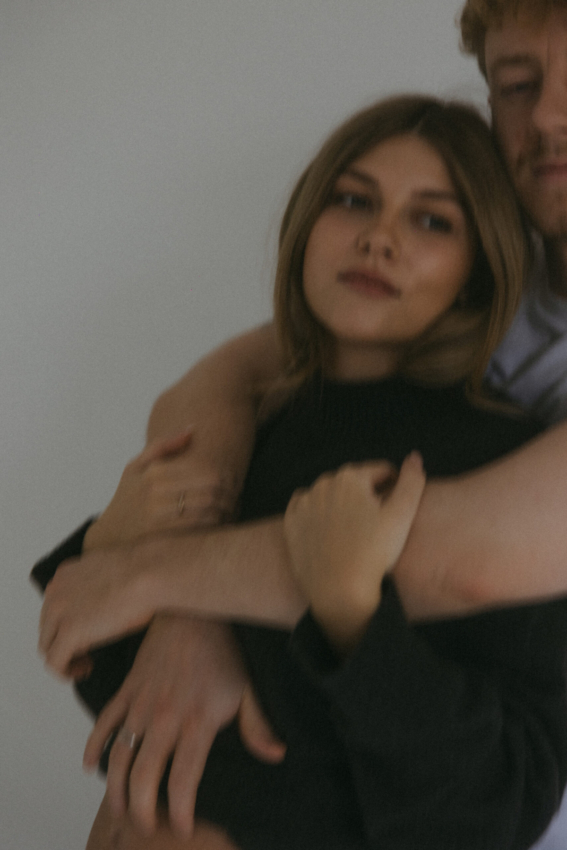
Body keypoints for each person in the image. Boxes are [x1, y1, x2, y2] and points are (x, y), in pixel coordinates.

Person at [34, 94, 567, 849]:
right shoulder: (245, 427)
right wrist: (144, 573)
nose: (379, 238)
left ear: (478, 274)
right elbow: (79, 644)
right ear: (305, 224)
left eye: (431, 221)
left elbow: (494, 807)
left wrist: (351, 629)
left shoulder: (487, 456)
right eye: (353, 200)